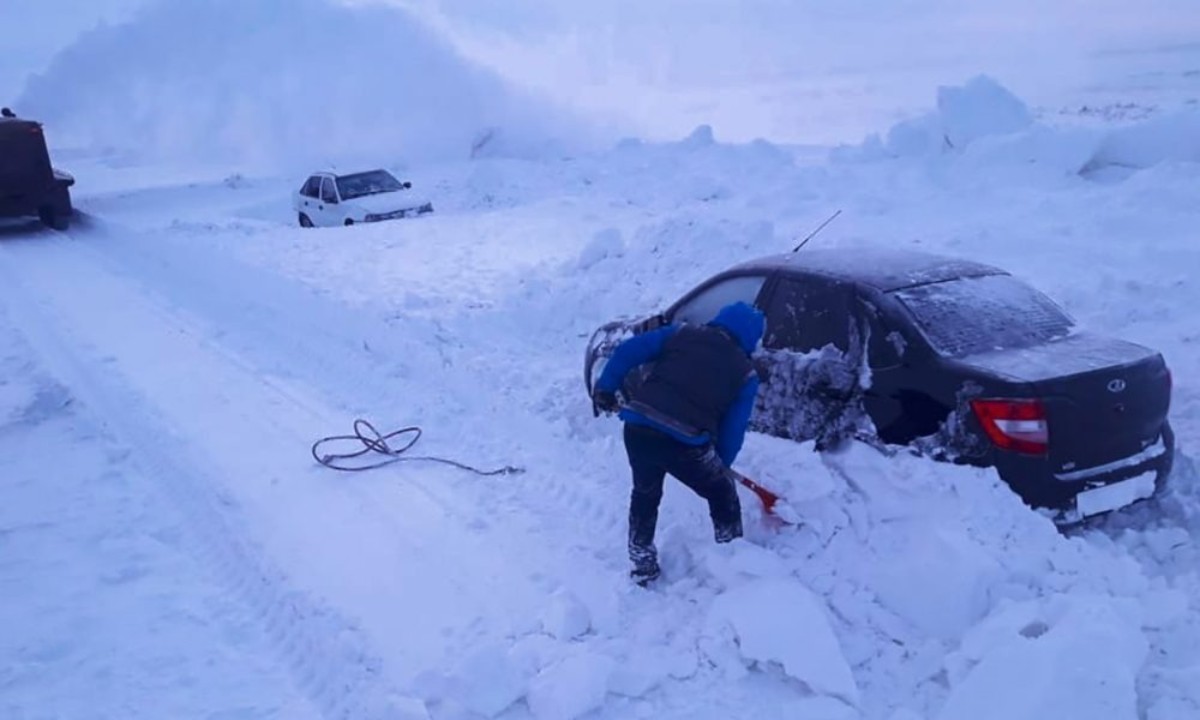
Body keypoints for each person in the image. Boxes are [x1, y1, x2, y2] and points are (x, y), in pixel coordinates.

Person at [592, 301, 765, 585]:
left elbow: (628, 350)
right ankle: (733, 558)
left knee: (645, 493)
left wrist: (606, 388)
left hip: (638, 428)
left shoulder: (682, 333)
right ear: (750, 338)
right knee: (723, 494)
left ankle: (642, 561)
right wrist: (720, 464)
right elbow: (734, 429)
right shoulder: (745, 373)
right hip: (683, 443)